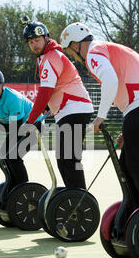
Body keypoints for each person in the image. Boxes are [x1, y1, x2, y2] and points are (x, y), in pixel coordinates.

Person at [60, 22, 139, 210]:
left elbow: (111, 80)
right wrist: (126, 131)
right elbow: (125, 86)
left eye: (71, 52)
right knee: (127, 165)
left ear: (76, 44)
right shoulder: (105, 49)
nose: (74, 57)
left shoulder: (94, 53)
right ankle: (138, 212)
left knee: (136, 164)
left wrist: (100, 117)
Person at [22, 18, 94, 190]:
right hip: (69, 111)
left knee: (68, 159)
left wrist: (30, 121)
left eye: (37, 40)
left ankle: (79, 199)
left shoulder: (51, 57)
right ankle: (74, 195)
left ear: (46, 38)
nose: (34, 45)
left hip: (74, 109)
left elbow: (45, 93)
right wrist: (42, 112)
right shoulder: (46, 57)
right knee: (65, 159)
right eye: (30, 42)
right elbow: (52, 92)